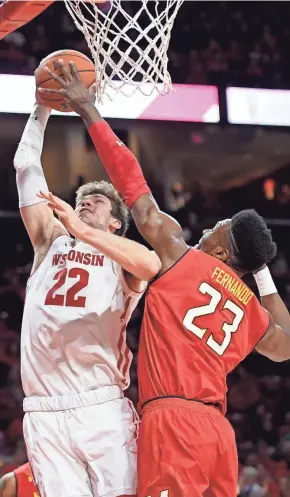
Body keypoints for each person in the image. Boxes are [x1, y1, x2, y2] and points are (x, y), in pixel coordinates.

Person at [39, 60, 290, 497]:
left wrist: (89, 112)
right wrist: (260, 270)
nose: (208, 228)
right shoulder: (251, 312)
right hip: (218, 434)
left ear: (218, 251)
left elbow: (132, 182)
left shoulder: (181, 257)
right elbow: (287, 346)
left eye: (217, 227)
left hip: (174, 423)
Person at [14, 82, 161, 497]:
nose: (86, 204)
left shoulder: (122, 256)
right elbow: (25, 165)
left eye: (98, 203)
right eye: (82, 200)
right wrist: (41, 108)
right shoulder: (50, 240)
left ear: (116, 222)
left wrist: (81, 229)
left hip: (99, 404)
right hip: (42, 408)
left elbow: (150, 264)